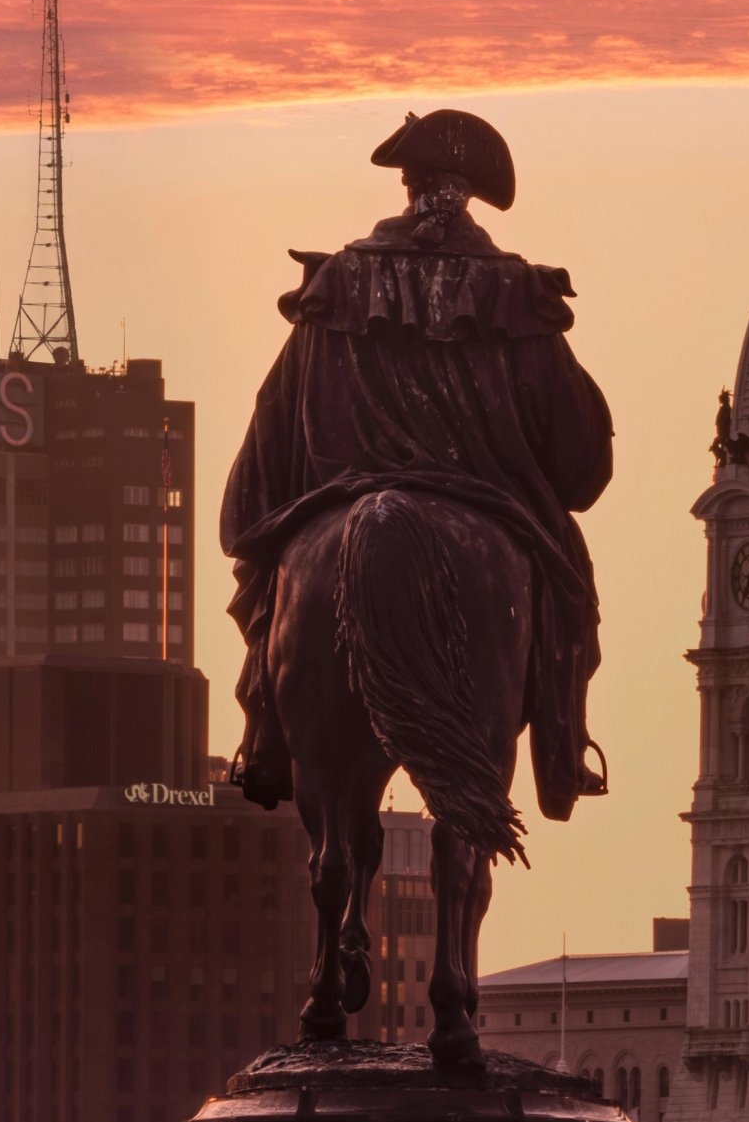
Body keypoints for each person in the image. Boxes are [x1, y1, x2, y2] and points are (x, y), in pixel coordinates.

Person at [219, 107, 613, 816]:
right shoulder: (519, 294)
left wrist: (257, 522)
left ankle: (266, 739)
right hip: (489, 501)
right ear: (469, 194)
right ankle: (563, 749)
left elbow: (271, 426)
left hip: (342, 491)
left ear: (408, 186)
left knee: (279, 590)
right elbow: (579, 461)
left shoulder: (336, 283)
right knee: (567, 597)